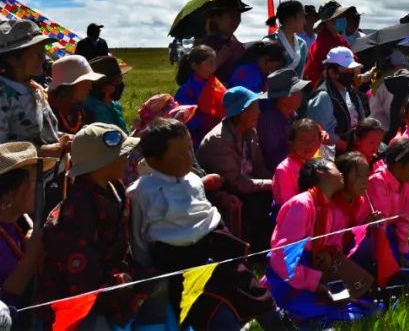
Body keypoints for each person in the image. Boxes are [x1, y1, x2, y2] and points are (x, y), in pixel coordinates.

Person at [128, 119, 289, 331]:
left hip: (215, 244)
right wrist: (148, 271)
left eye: (189, 149)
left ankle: (280, 325)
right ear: (154, 160)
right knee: (212, 309)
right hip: (179, 261)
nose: (188, 158)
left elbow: (203, 212)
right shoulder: (141, 192)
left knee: (252, 291)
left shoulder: (193, 179)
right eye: (178, 154)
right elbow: (138, 236)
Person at [38, 123, 144, 329]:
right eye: (121, 154)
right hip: (83, 293)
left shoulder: (116, 189)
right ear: (100, 163)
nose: (126, 158)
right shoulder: (80, 207)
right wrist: (116, 286)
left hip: (112, 276)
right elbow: (80, 270)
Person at [267, 158, 377, 326]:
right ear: (320, 172)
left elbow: (330, 242)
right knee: (347, 314)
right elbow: (283, 261)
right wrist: (317, 285)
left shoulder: (325, 205)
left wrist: (328, 254)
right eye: (334, 168)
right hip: (289, 282)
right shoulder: (302, 204)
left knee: (363, 309)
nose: (341, 173)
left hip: (310, 272)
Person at [197, 87, 274, 249]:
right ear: (242, 112)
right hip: (224, 191)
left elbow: (259, 165)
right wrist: (272, 183)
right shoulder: (219, 140)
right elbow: (236, 183)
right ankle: (259, 250)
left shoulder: (249, 132)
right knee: (256, 205)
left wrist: (276, 183)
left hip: (247, 185)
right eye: (255, 108)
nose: (259, 112)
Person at [0, 143, 55, 314]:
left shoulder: (16, 225)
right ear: (8, 195)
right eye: (34, 182)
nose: (40, 188)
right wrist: (30, 259)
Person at [366, 138, 409, 262]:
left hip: (390, 232)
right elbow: (379, 227)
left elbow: (405, 219)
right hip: (372, 236)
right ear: (398, 165)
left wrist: (403, 252)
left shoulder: (408, 181)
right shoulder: (378, 182)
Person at [306, 47, 365, 159]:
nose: (351, 73)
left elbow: (361, 117)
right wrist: (350, 148)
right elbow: (324, 133)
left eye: (352, 69)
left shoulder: (351, 91)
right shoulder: (323, 97)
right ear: (332, 72)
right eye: (347, 70)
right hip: (334, 156)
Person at [258, 68, 312, 171]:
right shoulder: (269, 121)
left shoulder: (293, 115)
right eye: (296, 92)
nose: (300, 95)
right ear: (283, 98)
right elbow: (274, 160)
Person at [174, 44, 227, 146]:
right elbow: (185, 117)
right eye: (210, 63)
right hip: (196, 139)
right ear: (195, 66)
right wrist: (206, 124)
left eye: (214, 63)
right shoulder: (187, 90)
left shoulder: (214, 83)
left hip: (215, 133)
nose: (214, 67)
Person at [197, 0, 251, 85]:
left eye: (238, 16)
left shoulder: (235, 43)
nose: (236, 21)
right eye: (231, 16)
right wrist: (221, 58)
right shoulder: (205, 45)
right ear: (217, 18)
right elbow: (197, 77)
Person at [46, 55, 103, 137]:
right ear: (67, 86)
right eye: (85, 81)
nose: (90, 87)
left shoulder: (84, 113)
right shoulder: (45, 114)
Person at [273, 119, 323, 206]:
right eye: (302, 139)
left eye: (313, 139)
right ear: (291, 143)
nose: (309, 144)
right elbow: (290, 205)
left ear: (319, 142)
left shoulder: (320, 162)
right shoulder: (284, 170)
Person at [303, 2, 353, 82]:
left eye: (343, 16)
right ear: (328, 20)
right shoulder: (322, 43)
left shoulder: (339, 38)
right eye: (339, 16)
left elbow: (352, 56)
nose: (344, 18)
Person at [84, 54, 130, 131]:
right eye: (117, 81)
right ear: (102, 86)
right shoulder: (99, 110)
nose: (121, 84)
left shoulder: (111, 104)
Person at [266, 0, 310, 74]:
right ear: (290, 18)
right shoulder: (269, 43)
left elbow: (301, 75)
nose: (305, 21)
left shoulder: (302, 44)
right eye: (302, 16)